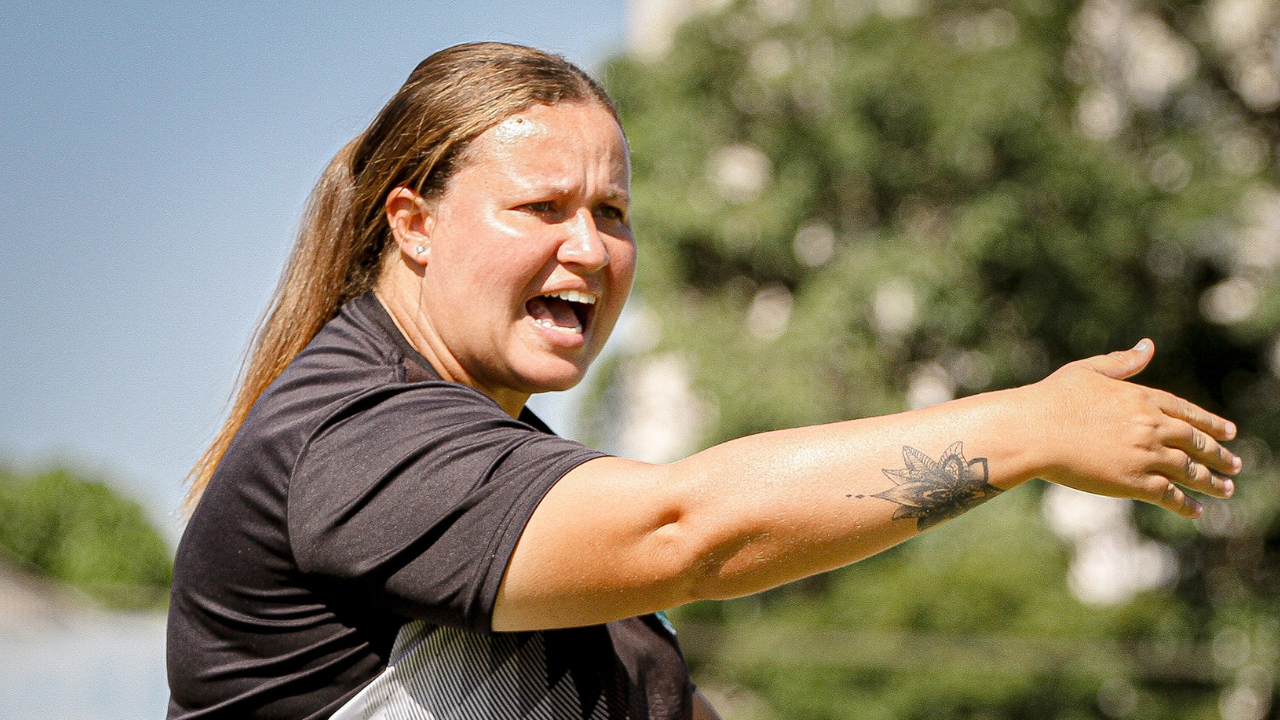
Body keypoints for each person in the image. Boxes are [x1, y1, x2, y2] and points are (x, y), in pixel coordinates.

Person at [166, 42, 1241, 720]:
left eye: (613, 213)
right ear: (413, 225)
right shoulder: (354, 433)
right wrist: (1026, 429)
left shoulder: (516, 490)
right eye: (541, 209)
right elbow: (690, 533)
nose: (588, 248)